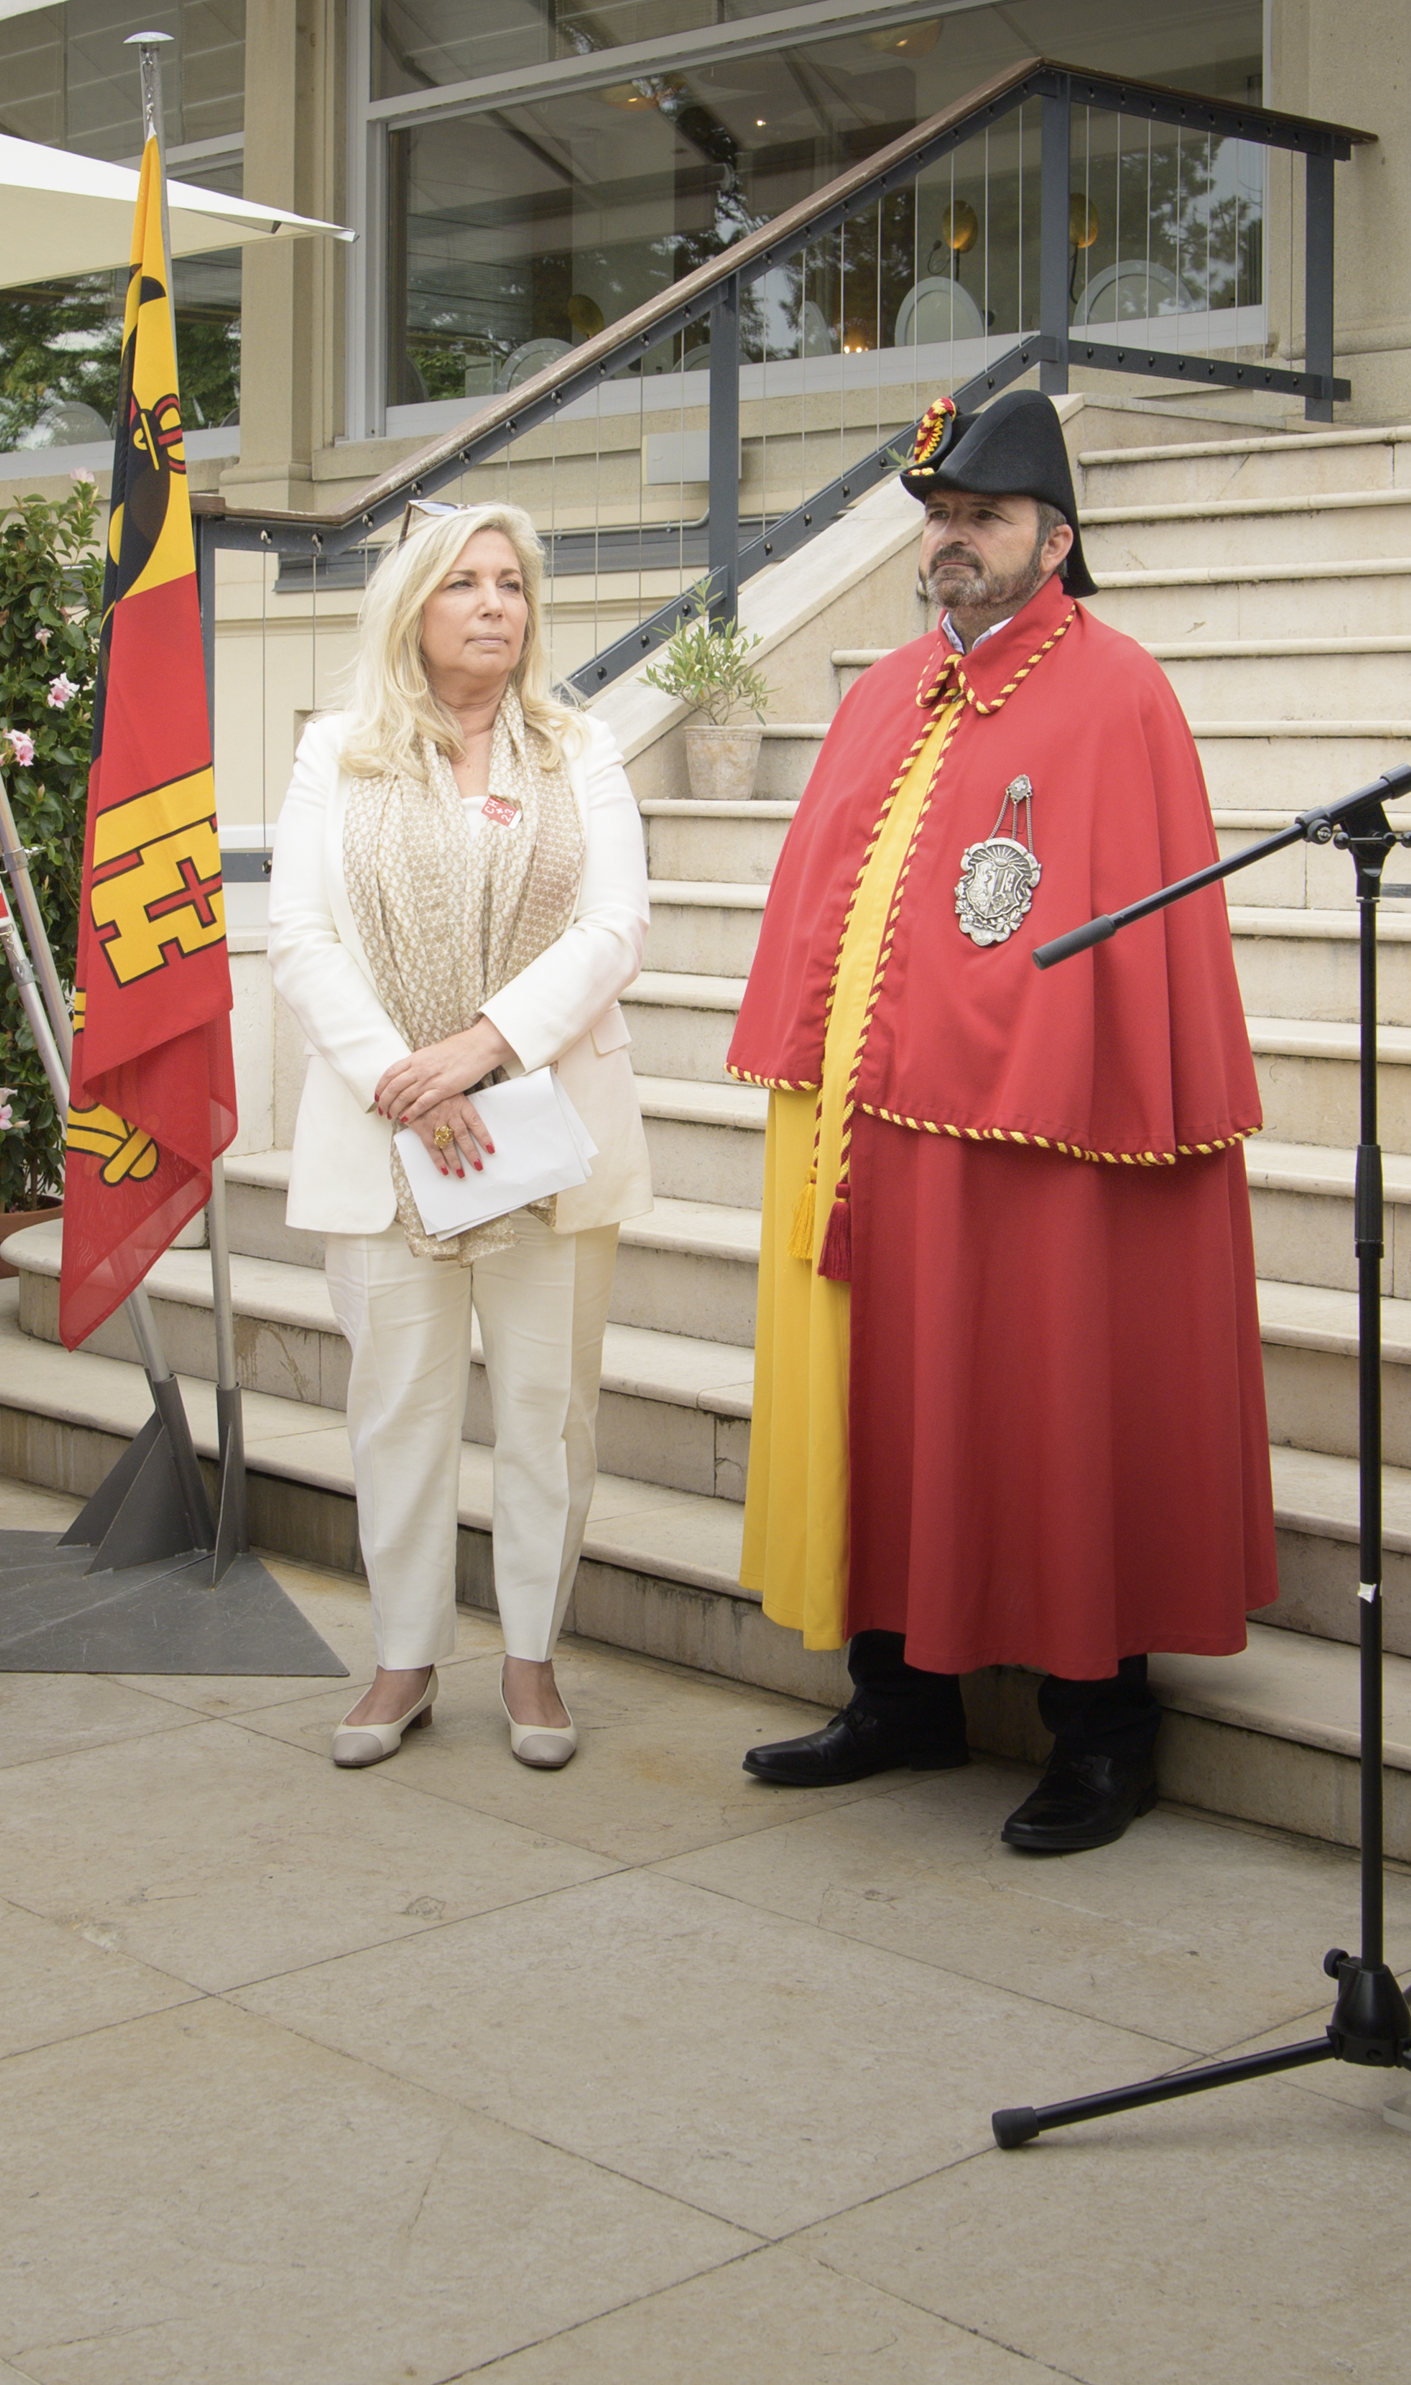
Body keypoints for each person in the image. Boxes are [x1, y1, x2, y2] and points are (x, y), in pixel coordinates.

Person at [732, 395, 1276, 1855]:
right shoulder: (887, 685)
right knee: (894, 1400)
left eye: (984, 515)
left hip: (1042, 1136)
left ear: (1059, 535)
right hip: (875, 1129)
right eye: (941, 515)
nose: (953, 539)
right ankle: (899, 1689)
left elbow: (1127, 952)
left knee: (1053, 1396)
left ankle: (1101, 1727)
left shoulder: (1116, 692)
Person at [264, 502, 651, 1772]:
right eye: (464, 584)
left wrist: (484, 1048)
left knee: (548, 1415)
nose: (494, 605)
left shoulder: (578, 747)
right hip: (389, 1139)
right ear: (414, 606)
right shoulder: (341, 752)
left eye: (512, 585)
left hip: (545, 1133)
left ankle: (531, 1658)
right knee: (398, 1413)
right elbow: (300, 937)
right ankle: (404, 1658)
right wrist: (407, 1079)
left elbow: (613, 928)